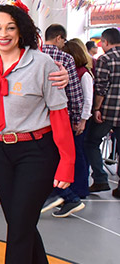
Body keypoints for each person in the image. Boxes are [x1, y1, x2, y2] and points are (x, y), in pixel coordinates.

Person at [0, 2, 74, 264]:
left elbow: (59, 114)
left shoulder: (43, 64)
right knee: (22, 224)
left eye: (10, 27)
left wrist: (67, 162)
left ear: (21, 31)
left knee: (18, 228)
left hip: (35, 152)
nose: (3, 34)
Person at [40, 25, 85, 214]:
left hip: (36, 120)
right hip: (59, 116)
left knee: (44, 159)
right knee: (57, 158)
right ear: (58, 38)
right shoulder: (65, 58)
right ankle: (66, 196)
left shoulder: (33, 54)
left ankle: (64, 196)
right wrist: (76, 118)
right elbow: (74, 92)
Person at [47, 39, 92, 216]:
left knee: (72, 156)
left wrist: (81, 119)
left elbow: (83, 98)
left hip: (66, 120)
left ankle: (71, 193)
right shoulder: (72, 66)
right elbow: (77, 97)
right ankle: (67, 193)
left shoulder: (82, 73)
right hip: (67, 119)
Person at [84, 27, 120, 197]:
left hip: (108, 112)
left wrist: (96, 108)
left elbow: (101, 87)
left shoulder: (105, 59)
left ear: (105, 42)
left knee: (91, 143)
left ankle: (100, 179)